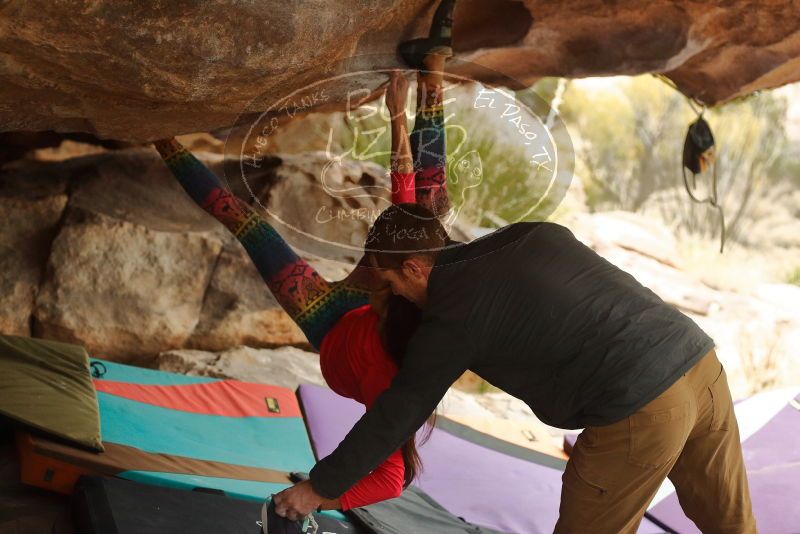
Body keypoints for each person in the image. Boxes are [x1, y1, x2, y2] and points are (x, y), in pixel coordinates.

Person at [275, 203, 758, 533]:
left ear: (416, 268)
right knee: (730, 522)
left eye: (390, 281)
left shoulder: (451, 318)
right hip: (700, 363)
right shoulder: (526, 234)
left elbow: (395, 414)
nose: (392, 295)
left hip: (641, 402)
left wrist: (319, 488)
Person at [154, 31, 454, 533]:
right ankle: (434, 71)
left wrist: (317, 498)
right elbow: (406, 204)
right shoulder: (416, 290)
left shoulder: (398, 392)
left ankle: (158, 136)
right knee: (430, 202)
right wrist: (396, 117)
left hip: (328, 324)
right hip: (371, 301)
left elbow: (392, 481)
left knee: (249, 226)